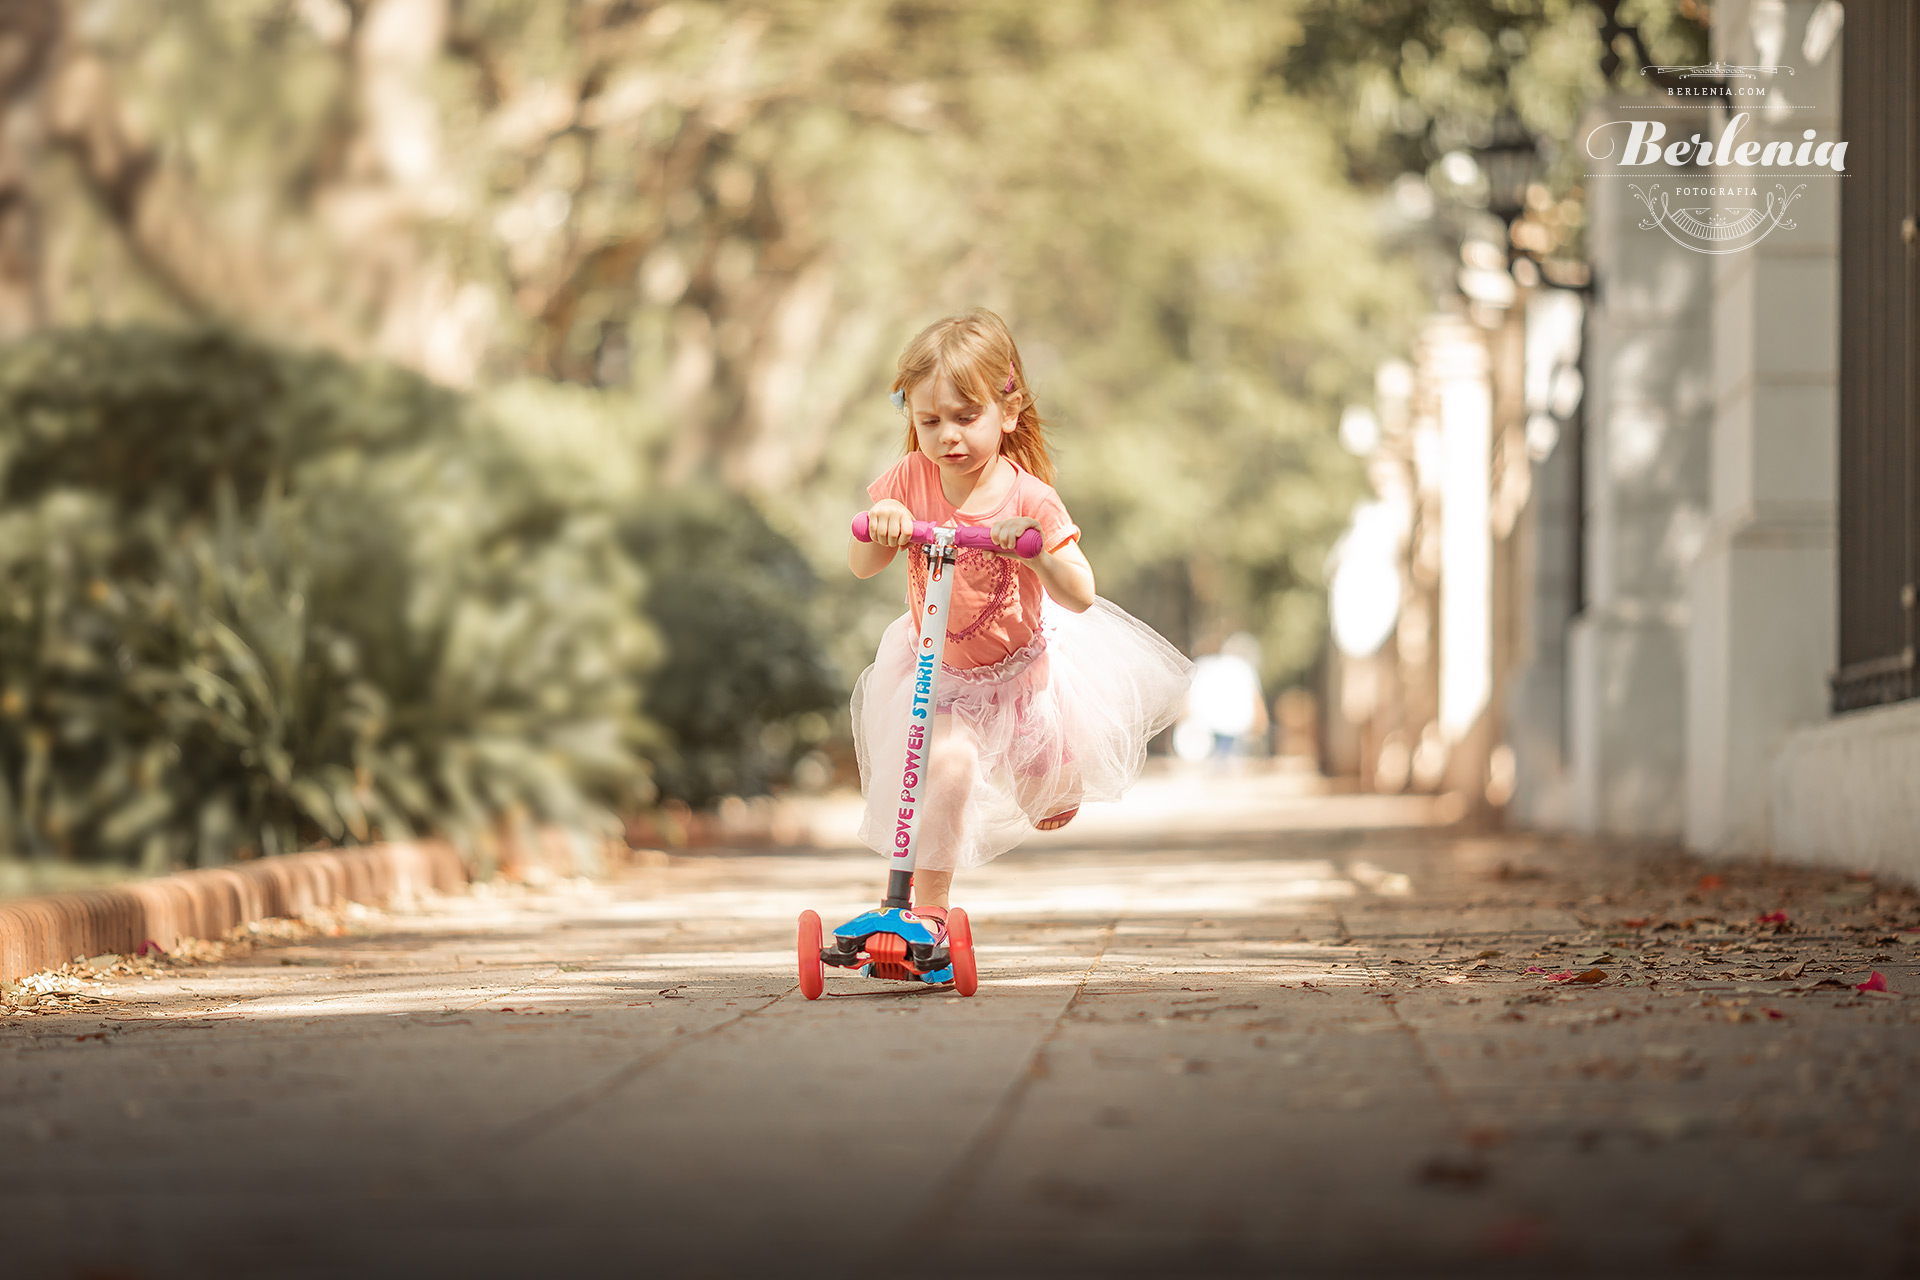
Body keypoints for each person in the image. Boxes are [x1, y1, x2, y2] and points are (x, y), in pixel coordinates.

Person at [849, 309, 1192, 934]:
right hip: (938, 671)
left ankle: (1051, 767)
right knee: (945, 765)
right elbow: (862, 562)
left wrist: (1032, 545)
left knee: (1050, 802)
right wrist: (886, 522)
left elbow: (1082, 592)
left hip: (1019, 673)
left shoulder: (1029, 496)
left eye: (965, 416)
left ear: (1006, 414)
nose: (947, 435)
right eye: (929, 421)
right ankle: (926, 914)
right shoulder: (909, 478)